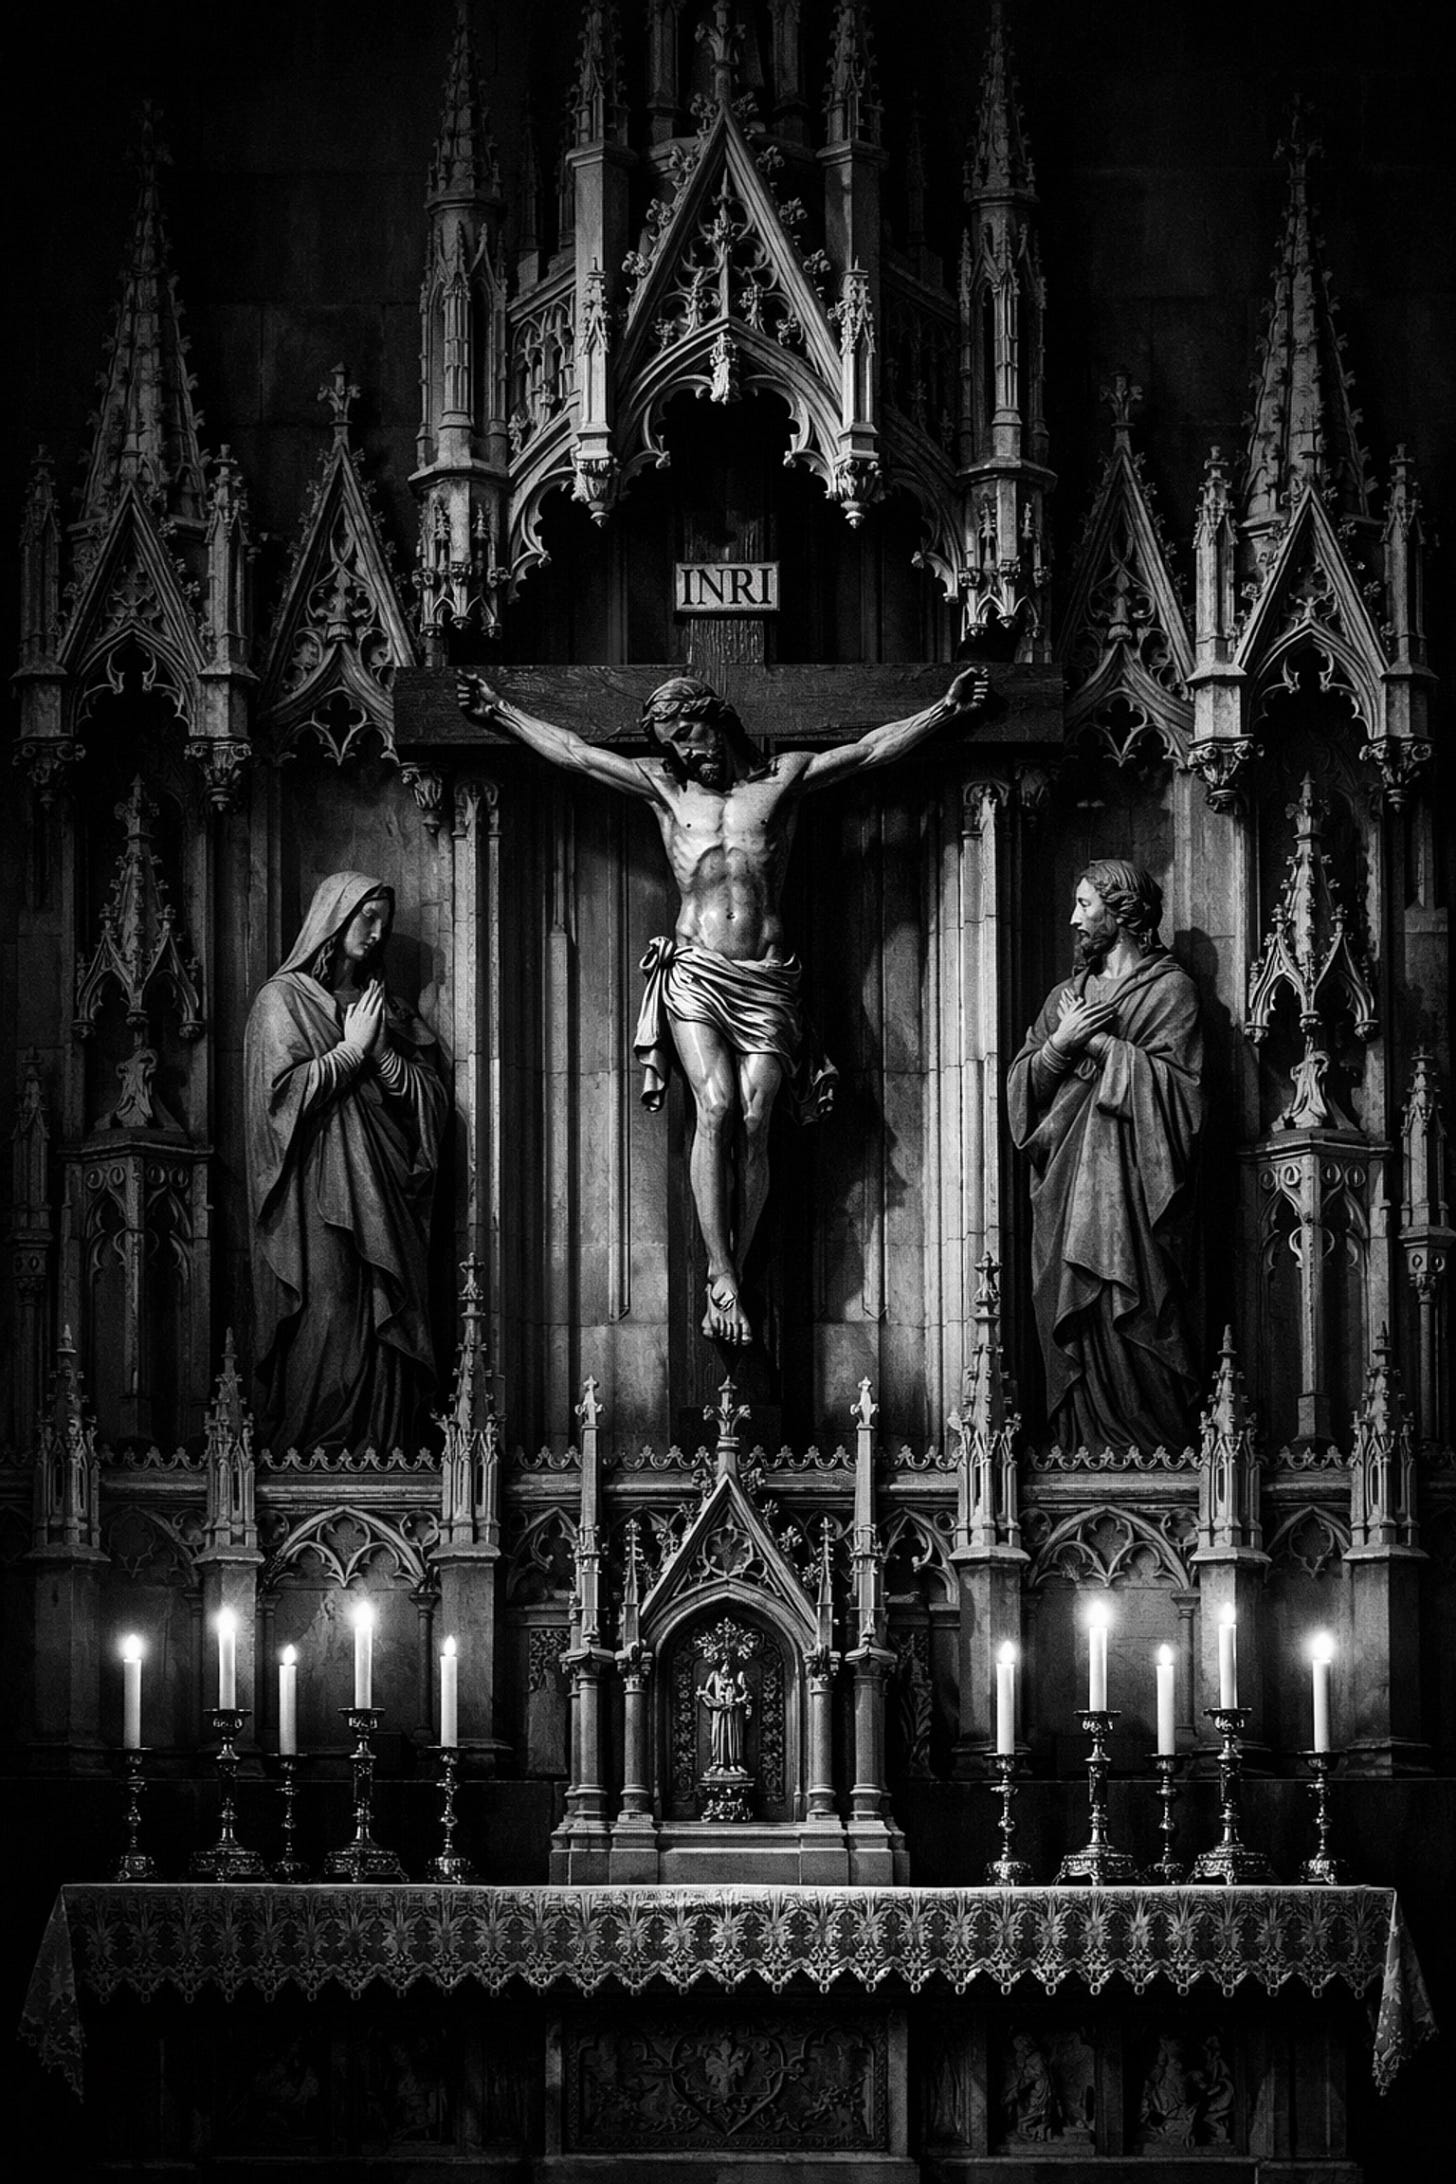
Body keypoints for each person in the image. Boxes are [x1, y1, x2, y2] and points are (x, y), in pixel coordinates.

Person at [456, 666, 987, 1345]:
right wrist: (501, 712)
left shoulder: (783, 779)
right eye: (670, 743)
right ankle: (722, 1271)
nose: (683, 751)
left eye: (688, 734)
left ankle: (741, 1254)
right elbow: (575, 754)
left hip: (766, 978)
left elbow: (872, 751)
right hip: (696, 972)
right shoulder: (665, 790)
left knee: (759, 1114)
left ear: (716, 718)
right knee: (716, 1106)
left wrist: (941, 712)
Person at [244, 874, 447, 1453]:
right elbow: (276, 1101)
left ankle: (380, 1450)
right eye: (367, 917)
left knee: (384, 1323)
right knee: (330, 1310)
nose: (378, 932)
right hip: (315, 1201)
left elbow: (428, 1106)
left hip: (386, 1196)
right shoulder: (281, 1002)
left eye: (384, 920)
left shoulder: (390, 1010)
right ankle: (314, 1451)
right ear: (333, 918)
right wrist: (349, 1053)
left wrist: (380, 1054)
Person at [1008, 860, 1203, 1454]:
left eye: (1085, 904)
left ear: (1122, 914)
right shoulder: (1065, 999)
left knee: (1132, 1306)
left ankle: (1147, 1440)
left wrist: (1095, 1044)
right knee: (1072, 1309)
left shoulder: (1170, 992)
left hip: (1133, 1196)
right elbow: (1021, 1093)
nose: (1073, 918)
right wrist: (1059, 1047)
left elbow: (1182, 1094)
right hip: (1065, 1192)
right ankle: (1081, 1439)